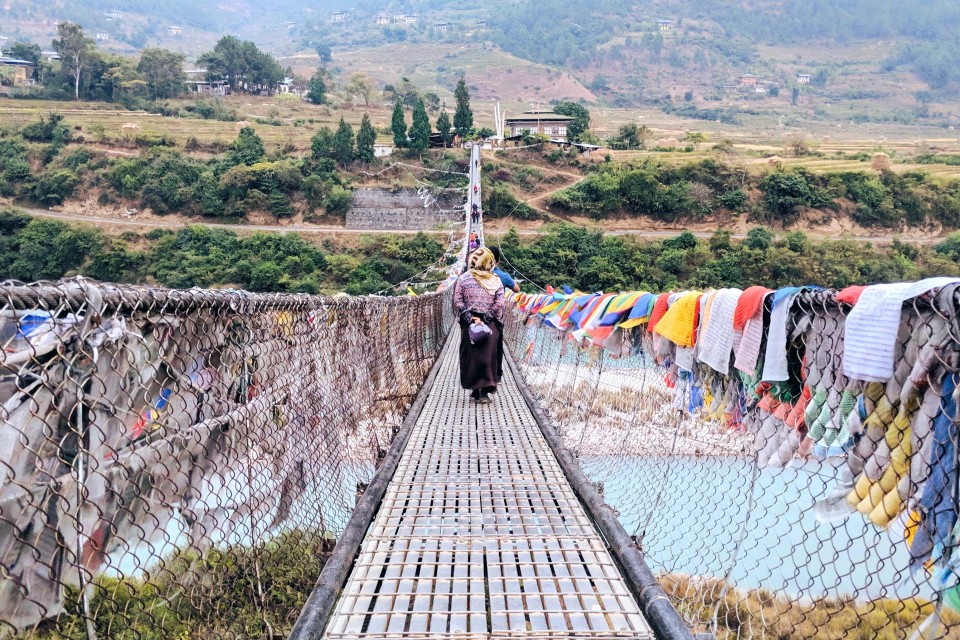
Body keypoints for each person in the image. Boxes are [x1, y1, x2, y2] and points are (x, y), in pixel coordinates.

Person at [454, 247, 504, 404]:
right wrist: (487, 318)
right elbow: (500, 302)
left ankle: (475, 389)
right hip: (490, 323)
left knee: (471, 355)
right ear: (490, 262)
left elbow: (458, 301)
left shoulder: (463, 278)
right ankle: (483, 392)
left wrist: (470, 318)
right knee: (488, 355)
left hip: (469, 322)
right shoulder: (496, 280)